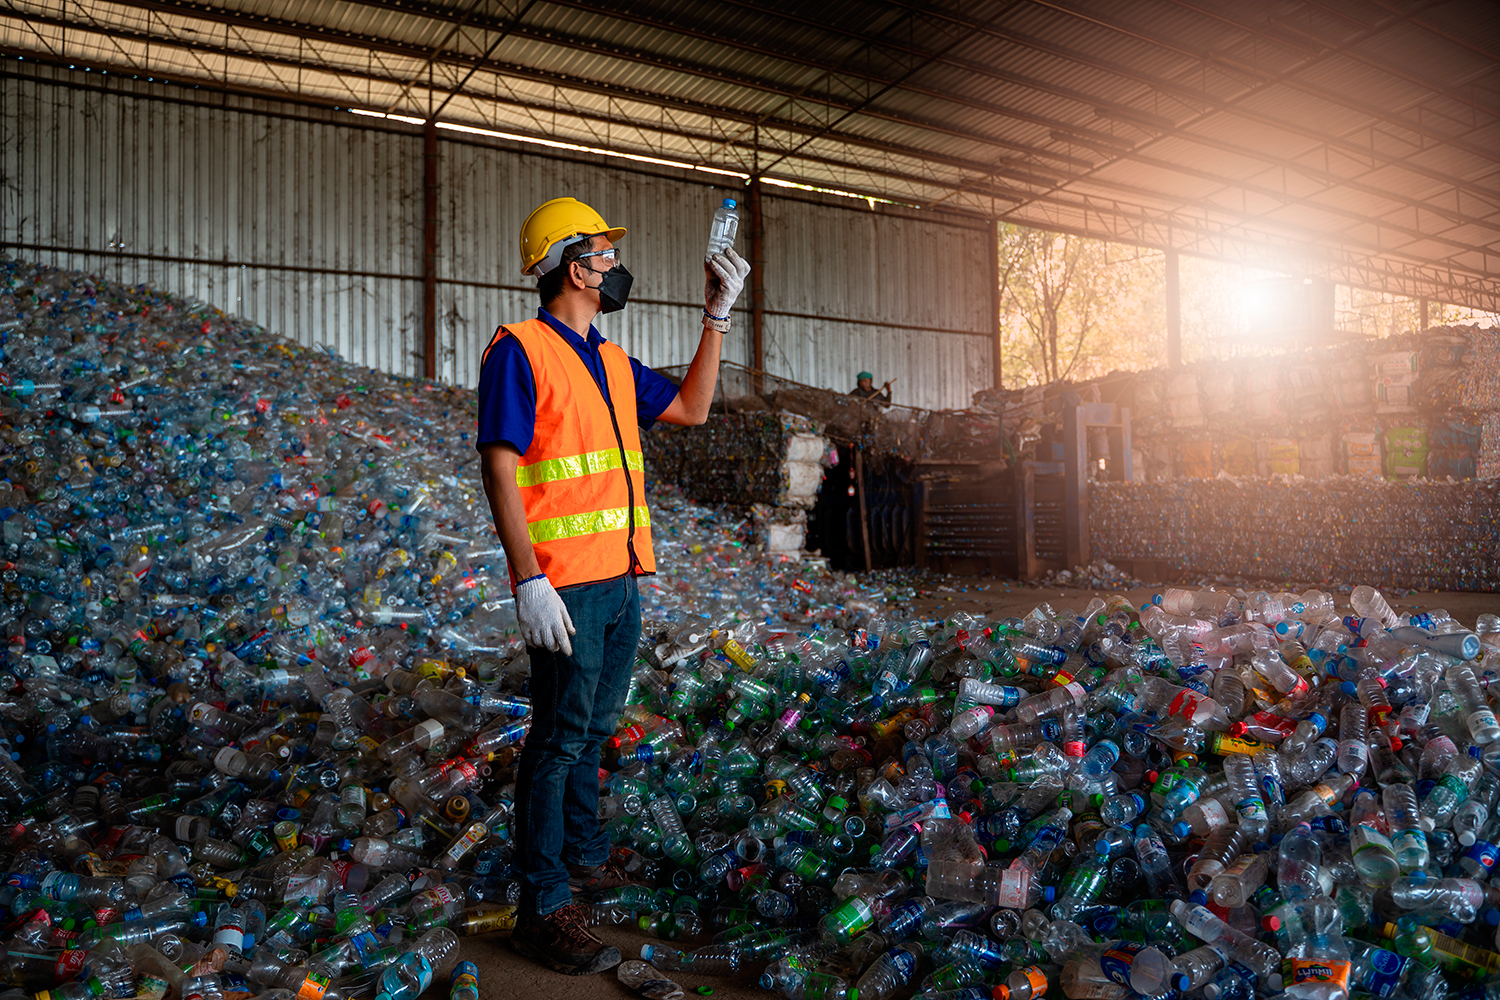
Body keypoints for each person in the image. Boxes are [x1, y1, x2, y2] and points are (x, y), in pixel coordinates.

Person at [476, 196, 750, 975]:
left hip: (622, 579)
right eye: (603, 254)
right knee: (558, 740)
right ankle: (544, 904)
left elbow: (694, 408)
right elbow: (500, 465)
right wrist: (528, 578)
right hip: (567, 589)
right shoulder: (520, 350)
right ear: (573, 266)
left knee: (592, 732)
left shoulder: (611, 360)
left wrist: (716, 317)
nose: (614, 267)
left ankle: (586, 859)